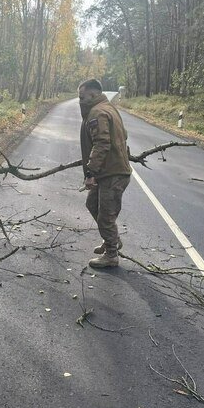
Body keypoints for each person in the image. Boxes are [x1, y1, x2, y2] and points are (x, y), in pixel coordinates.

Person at [78, 79, 132, 268]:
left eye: (82, 97)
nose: (80, 100)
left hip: (112, 173)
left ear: (93, 95)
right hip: (109, 170)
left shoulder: (97, 112)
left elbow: (102, 143)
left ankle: (111, 255)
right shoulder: (108, 108)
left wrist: (90, 171)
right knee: (92, 203)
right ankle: (113, 240)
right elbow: (122, 136)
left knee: (105, 216)